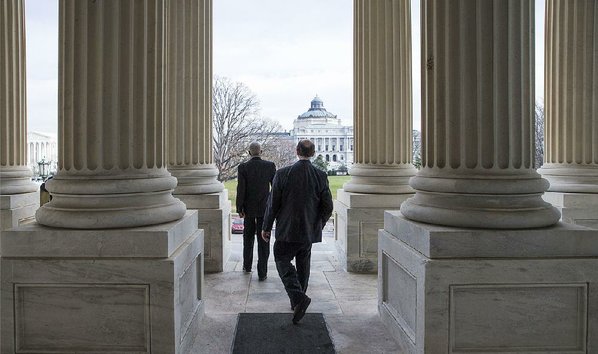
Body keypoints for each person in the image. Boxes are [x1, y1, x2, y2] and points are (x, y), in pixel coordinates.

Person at [261, 139, 333, 324]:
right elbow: (327, 206)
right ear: (314, 153)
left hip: (287, 228)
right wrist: (318, 224)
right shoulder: (320, 175)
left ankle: (298, 298)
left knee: (281, 259)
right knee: (303, 263)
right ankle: (297, 300)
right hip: (308, 230)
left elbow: (273, 203)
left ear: (296, 151)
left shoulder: (283, 174)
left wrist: (266, 227)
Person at [236, 142, 276, 281]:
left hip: (248, 209)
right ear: (261, 151)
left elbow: (241, 189)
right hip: (265, 209)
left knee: (248, 238)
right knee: (264, 240)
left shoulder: (243, 167)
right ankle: (262, 272)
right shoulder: (270, 166)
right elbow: (275, 189)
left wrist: (239, 208)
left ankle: (247, 266)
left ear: (249, 152)